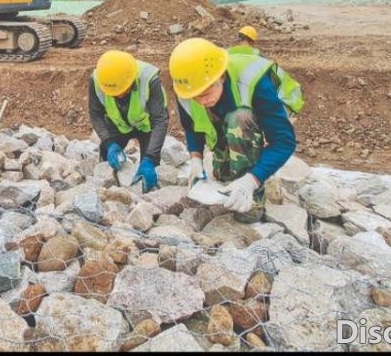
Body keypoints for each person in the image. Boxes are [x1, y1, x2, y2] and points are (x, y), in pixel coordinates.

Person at [169, 38, 303, 223]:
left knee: (238, 119)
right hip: (226, 111)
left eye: (206, 94)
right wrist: (196, 160)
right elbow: (192, 125)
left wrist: (251, 181)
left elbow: (284, 142)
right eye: (195, 97)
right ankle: (230, 179)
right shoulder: (190, 86)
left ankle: (253, 200)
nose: (202, 101)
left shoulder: (253, 83)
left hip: (256, 112)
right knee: (224, 174)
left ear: (221, 77)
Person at [88, 50, 169, 192]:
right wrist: (109, 142)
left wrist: (150, 158)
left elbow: (160, 120)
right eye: (113, 94)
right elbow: (96, 115)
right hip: (117, 124)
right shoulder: (97, 81)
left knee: (148, 171)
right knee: (107, 157)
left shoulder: (148, 79)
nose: (119, 96)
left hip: (147, 126)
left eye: (123, 91)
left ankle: (149, 198)